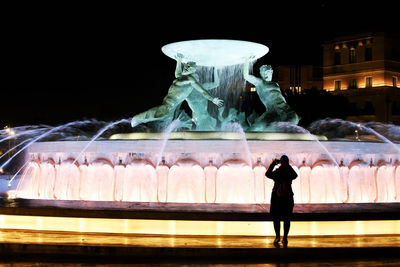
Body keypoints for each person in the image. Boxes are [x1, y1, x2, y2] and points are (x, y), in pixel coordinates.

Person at [130, 54, 223, 129]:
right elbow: (177, 73)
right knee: (149, 125)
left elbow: (203, 91)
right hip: (169, 111)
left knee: (137, 119)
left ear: (194, 71)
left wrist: (212, 99)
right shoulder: (182, 78)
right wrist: (178, 60)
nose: (186, 68)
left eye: (189, 68)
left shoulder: (190, 79)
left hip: (167, 109)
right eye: (186, 66)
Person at [243, 56, 299, 130]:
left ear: (271, 72)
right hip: (271, 112)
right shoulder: (260, 82)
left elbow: (281, 97)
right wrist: (247, 60)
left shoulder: (276, 84)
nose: (265, 74)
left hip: (285, 110)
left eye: (267, 72)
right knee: (254, 129)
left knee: (290, 126)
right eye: (263, 73)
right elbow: (246, 76)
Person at [265, 155, 298, 246]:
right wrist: (288, 166)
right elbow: (295, 175)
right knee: (286, 218)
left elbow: (267, 174)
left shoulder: (278, 171)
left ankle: (278, 237)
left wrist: (273, 164)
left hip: (277, 197)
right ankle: (284, 237)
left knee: (277, 218)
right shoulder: (288, 171)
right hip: (286, 197)